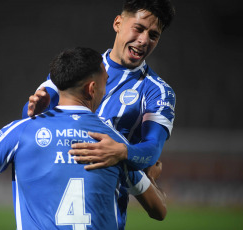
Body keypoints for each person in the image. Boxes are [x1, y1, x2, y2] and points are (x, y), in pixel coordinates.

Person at [0, 47, 166, 229]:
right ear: (91, 89)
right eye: (105, 83)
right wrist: (151, 179)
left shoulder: (18, 133)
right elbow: (159, 211)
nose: (105, 91)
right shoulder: (113, 144)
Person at [23, 0, 175, 228]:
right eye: (139, 28)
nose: (144, 40)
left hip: (103, 214)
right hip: (51, 206)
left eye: (153, 35)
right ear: (118, 23)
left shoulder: (157, 91)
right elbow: (29, 117)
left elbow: (152, 150)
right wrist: (34, 111)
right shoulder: (77, 66)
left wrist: (123, 152)